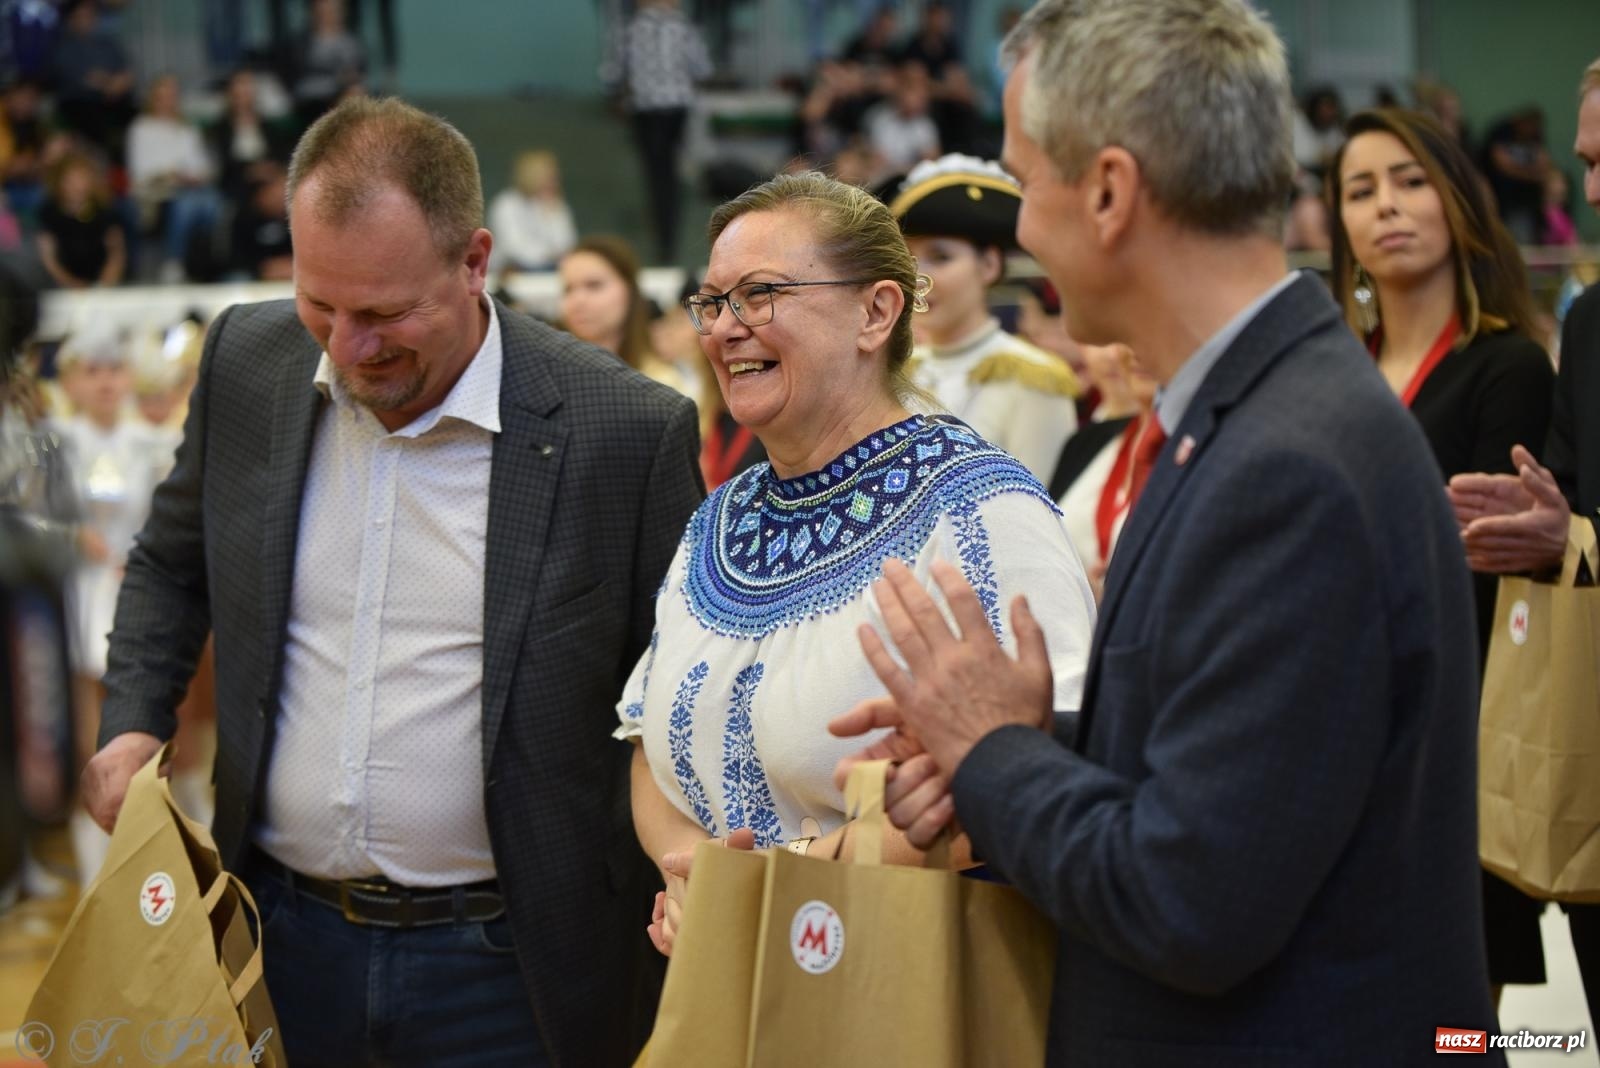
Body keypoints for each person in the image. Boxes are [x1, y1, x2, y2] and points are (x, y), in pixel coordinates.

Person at [830, 1, 1503, 1062]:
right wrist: (1031, 745)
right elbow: (1241, 774)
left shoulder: (1287, 466)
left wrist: (992, 752)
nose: (1022, 231)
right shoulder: (1260, 415)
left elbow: (1187, 902)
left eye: (1023, 183)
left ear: (1108, 192)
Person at [80, 96, 703, 1068]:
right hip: (276, 939)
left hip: (515, 968)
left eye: (382, 313)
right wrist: (132, 721)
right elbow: (169, 559)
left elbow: (679, 688)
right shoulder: (248, 361)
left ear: (474, 260)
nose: (347, 347)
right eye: (319, 305)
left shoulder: (621, 429)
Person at [617, 171, 1096, 957]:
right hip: (727, 976)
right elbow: (646, 738)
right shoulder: (720, 518)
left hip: (904, 981)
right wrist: (695, 877)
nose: (726, 328)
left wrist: (780, 883)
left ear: (875, 312)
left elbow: (1049, 769)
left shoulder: (981, 508)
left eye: (761, 294)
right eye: (713, 302)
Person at [1330, 107, 1556, 1004]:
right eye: (1360, 190)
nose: (1385, 205)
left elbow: (1488, 572)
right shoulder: (1327, 373)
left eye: (1410, 180)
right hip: (1326, 729)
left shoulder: (1508, 367)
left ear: (1458, 200)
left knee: (1452, 1030)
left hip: (1452, 736)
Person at [1448, 55, 1600, 1037]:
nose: (1593, 188)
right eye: (1585, 162)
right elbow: (1573, 503)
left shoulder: (1519, 355)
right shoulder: (1590, 326)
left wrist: (1575, 536)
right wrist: (1539, 531)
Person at [890, 153, 1080, 482]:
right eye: (907, 259)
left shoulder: (1034, 379)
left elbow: (1041, 502)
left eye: (941, 257)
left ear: (990, 265)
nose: (918, 277)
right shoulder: (895, 372)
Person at [606, 0, 710, 264]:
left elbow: (613, 73)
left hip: (647, 110)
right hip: (676, 109)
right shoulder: (683, 27)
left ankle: (664, 240)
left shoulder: (631, 30)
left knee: (656, 177)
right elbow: (702, 68)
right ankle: (667, 239)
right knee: (670, 176)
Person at [559, 234, 699, 397]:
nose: (578, 300)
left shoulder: (662, 384)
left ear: (629, 290)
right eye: (568, 289)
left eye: (594, 285)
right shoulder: (552, 380)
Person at [126, 73, 221, 283]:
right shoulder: (141, 128)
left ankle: (207, 264)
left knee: (213, 202)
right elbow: (140, 171)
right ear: (153, 99)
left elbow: (202, 165)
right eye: (163, 96)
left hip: (190, 186)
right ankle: (173, 261)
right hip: (156, 190)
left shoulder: (187, 129)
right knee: (187, 204)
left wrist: (193, 176)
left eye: (172, 96)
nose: (168, 101)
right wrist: (172, 174)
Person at [36, 151, 124, 289]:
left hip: (101, 285)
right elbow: (48, 259)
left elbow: (116, 254)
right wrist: (71, 284)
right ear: (59, 182)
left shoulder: (105, 212)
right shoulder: (49, 214)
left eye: (81, 179)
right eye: (70, 180)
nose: (77, 186)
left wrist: (105, 284)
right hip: (62, 286)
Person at [487, 150, 578, 274]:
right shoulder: (506, 204)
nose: (554, 182)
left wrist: (550, 216)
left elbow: (567, 244)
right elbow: (512, 247)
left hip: (552, 270)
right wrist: (547, 256)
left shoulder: (555, 204)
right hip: (513, 271)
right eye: (548, 176)